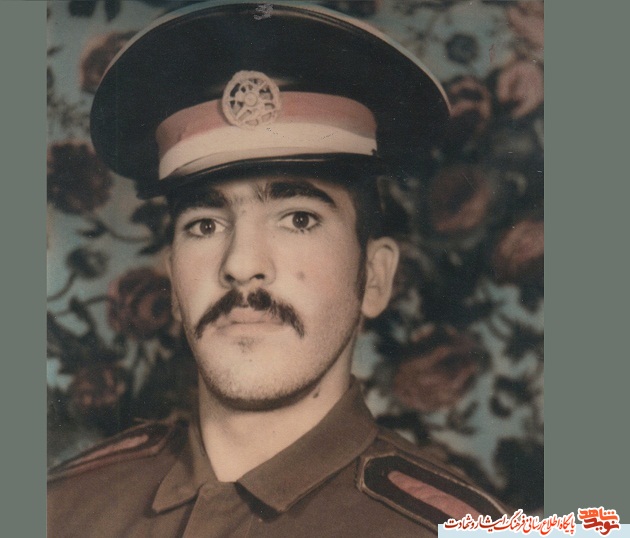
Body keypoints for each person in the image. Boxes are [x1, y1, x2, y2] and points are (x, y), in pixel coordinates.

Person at [47, 2, 506, 536]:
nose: (242, 265)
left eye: (299, 219)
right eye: (205, 225)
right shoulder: (57, 510)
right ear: (172, 281)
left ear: (375, 277)